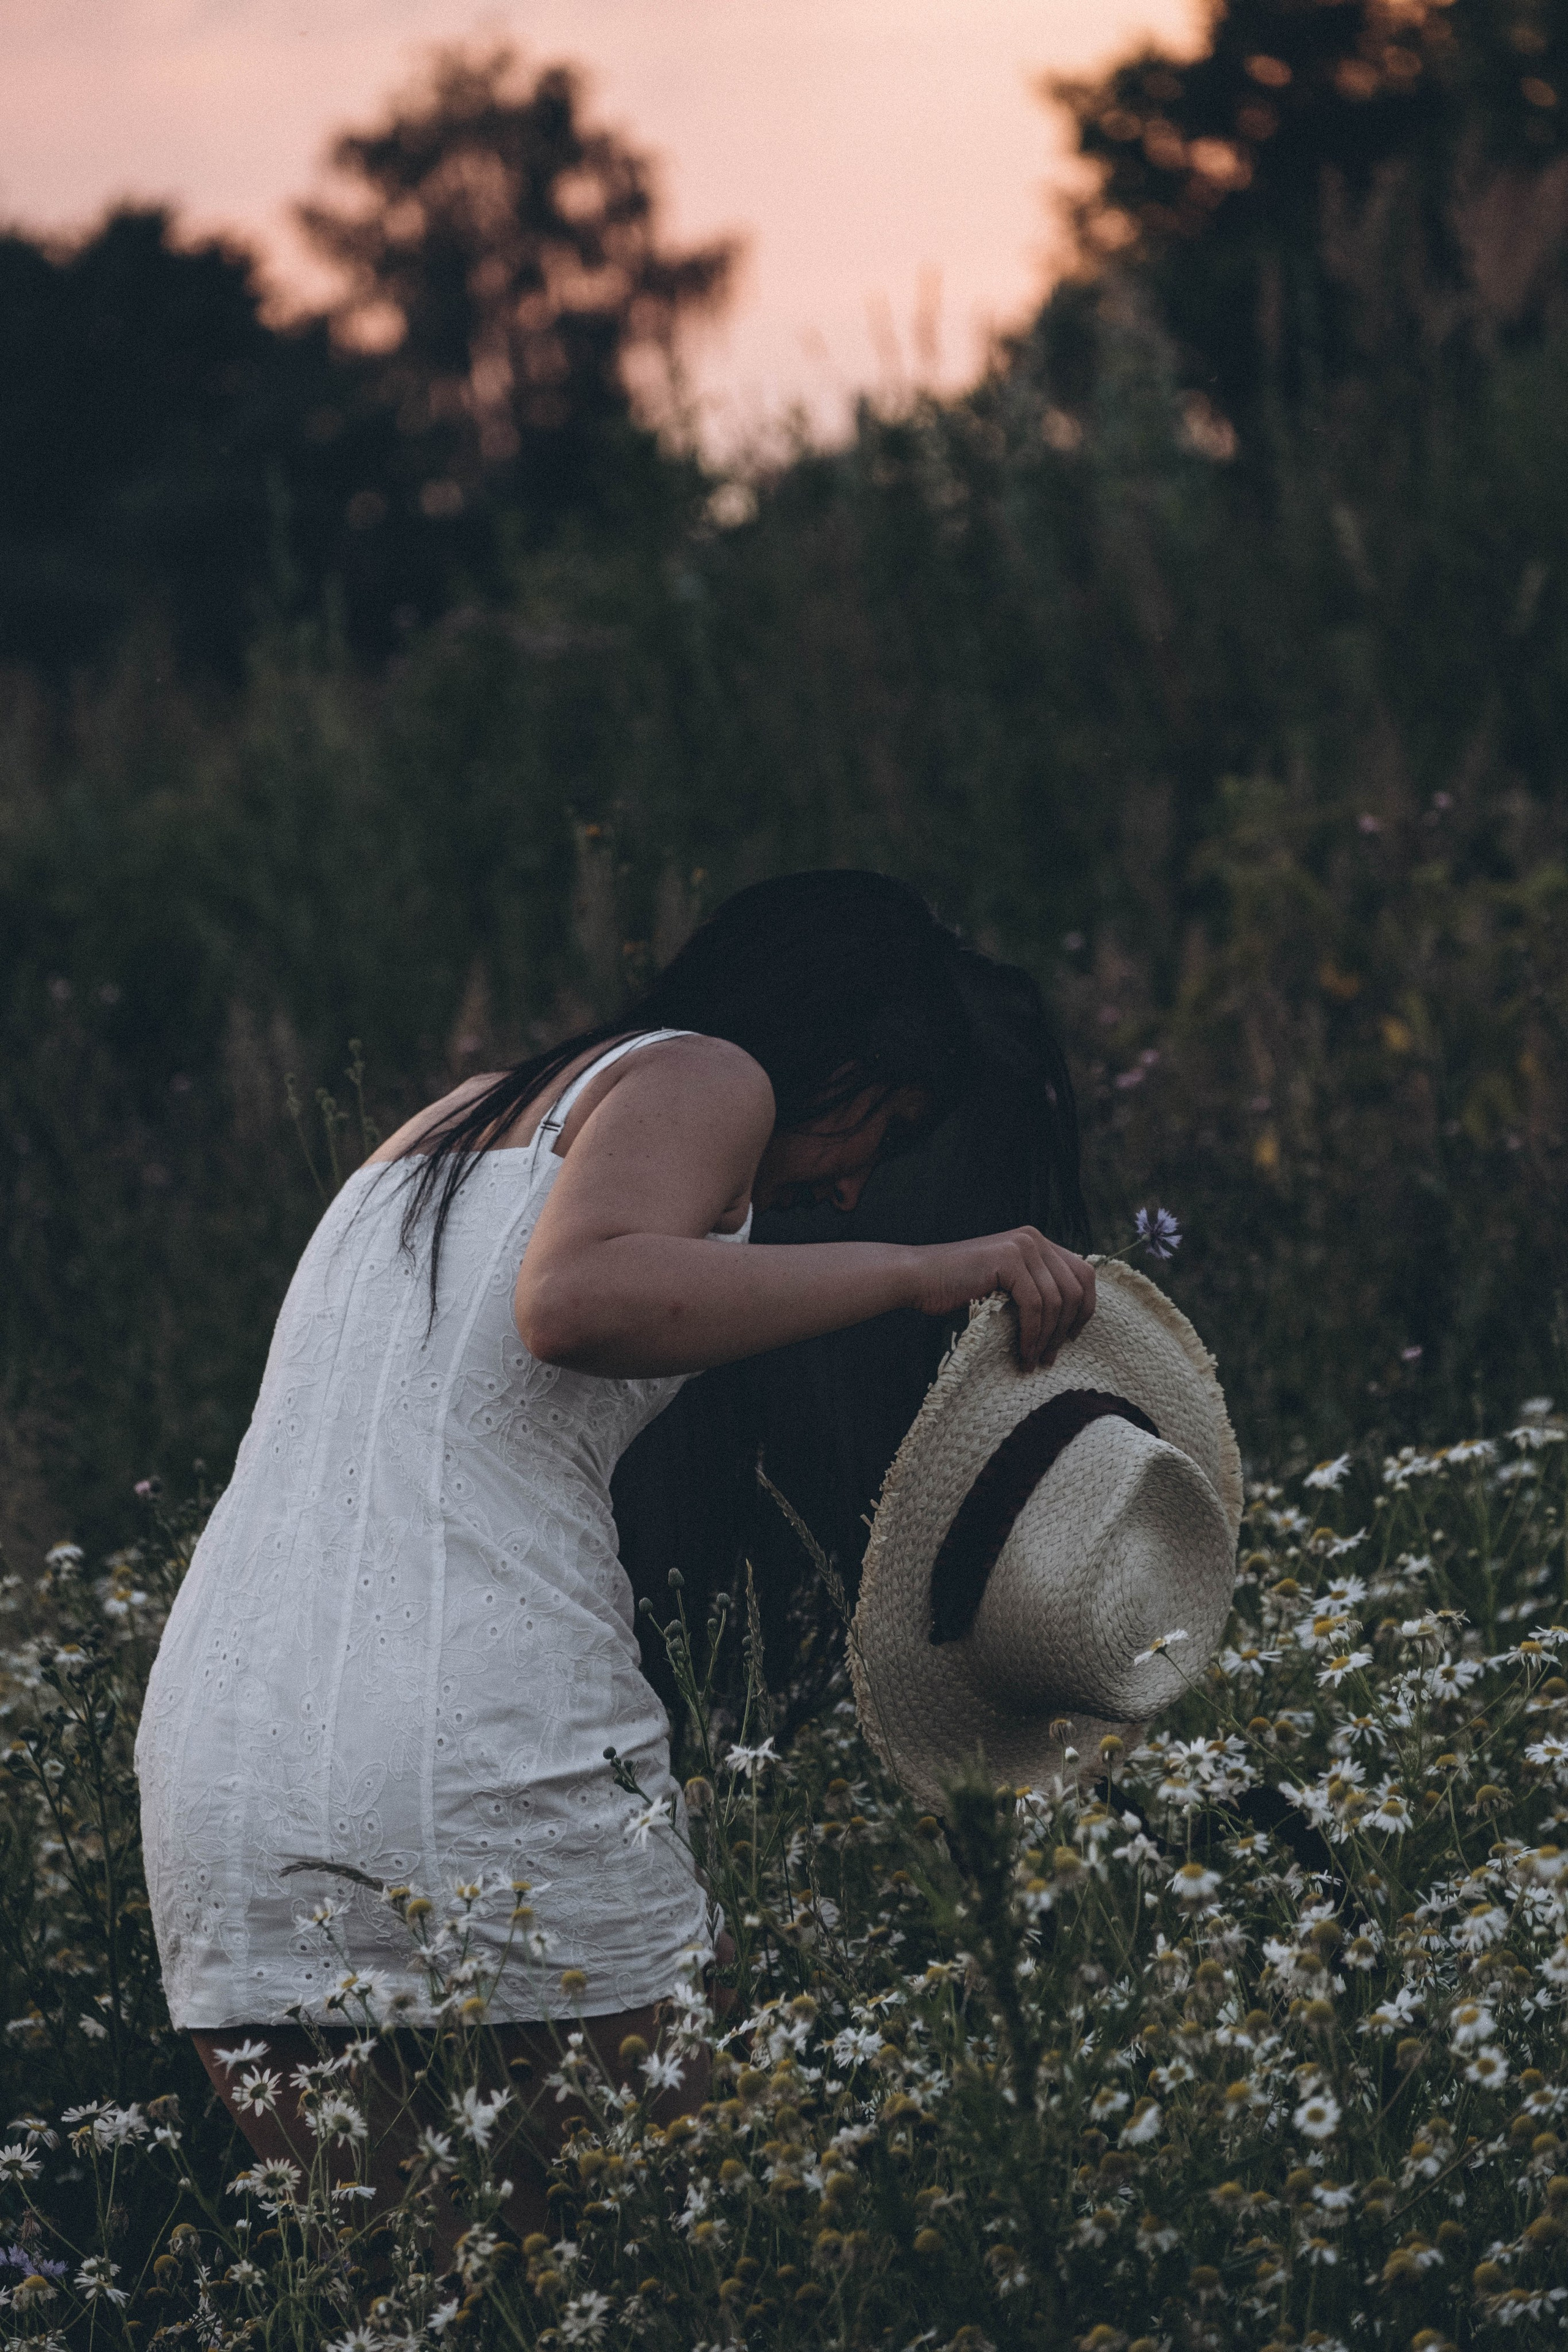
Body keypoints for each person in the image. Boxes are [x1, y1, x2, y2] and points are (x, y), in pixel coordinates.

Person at [134, 869, 1096, 2236]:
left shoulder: (429, 1138)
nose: (852, 1178)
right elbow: (574, 1301)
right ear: (833, 1053)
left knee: (435, 2300)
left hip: (222, 1773)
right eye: (885, 1124)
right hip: (470, 1745)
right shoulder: (707, 1077)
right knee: (699, 2255)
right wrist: (916, 1267)